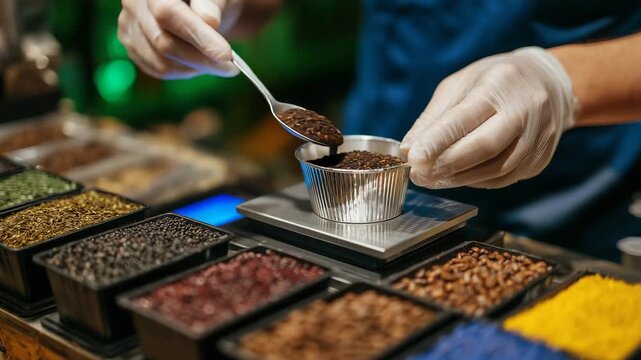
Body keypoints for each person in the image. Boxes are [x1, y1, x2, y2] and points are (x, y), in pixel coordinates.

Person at [118, 0, 641, 260]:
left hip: (576, 189)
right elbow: (258, 8)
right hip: (379, 169)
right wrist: (211, 12)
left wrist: (563, 83)